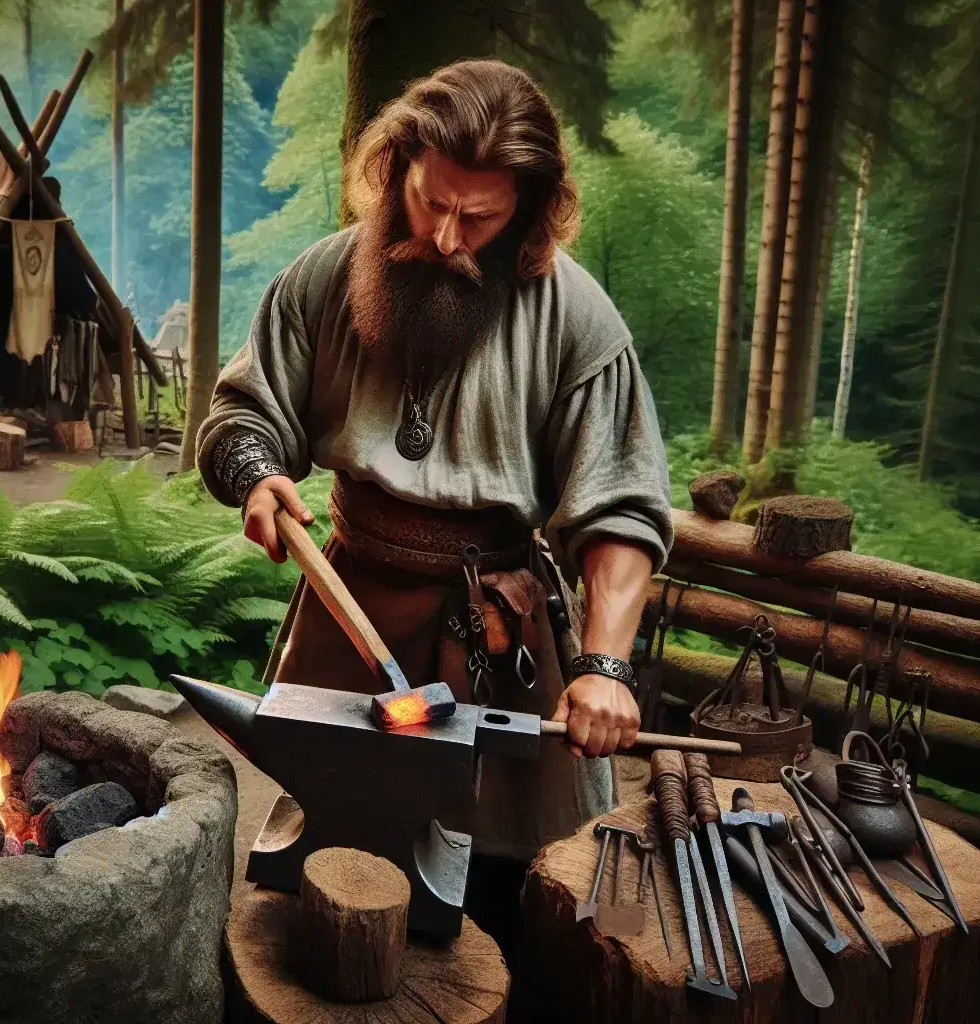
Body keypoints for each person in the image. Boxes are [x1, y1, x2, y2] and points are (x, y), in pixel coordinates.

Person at [195, 59, 673, 941]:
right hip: (349, 612)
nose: (449, 237)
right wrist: (257, 472)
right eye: (430, 202)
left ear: (526, 211)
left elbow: (620, 509)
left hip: (497, 634)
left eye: (480, 216)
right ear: (395, 169)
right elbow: (242, 412)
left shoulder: (578, 320)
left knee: (501, 886)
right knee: (320, 873)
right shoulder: (323, 279)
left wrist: (605, 667)